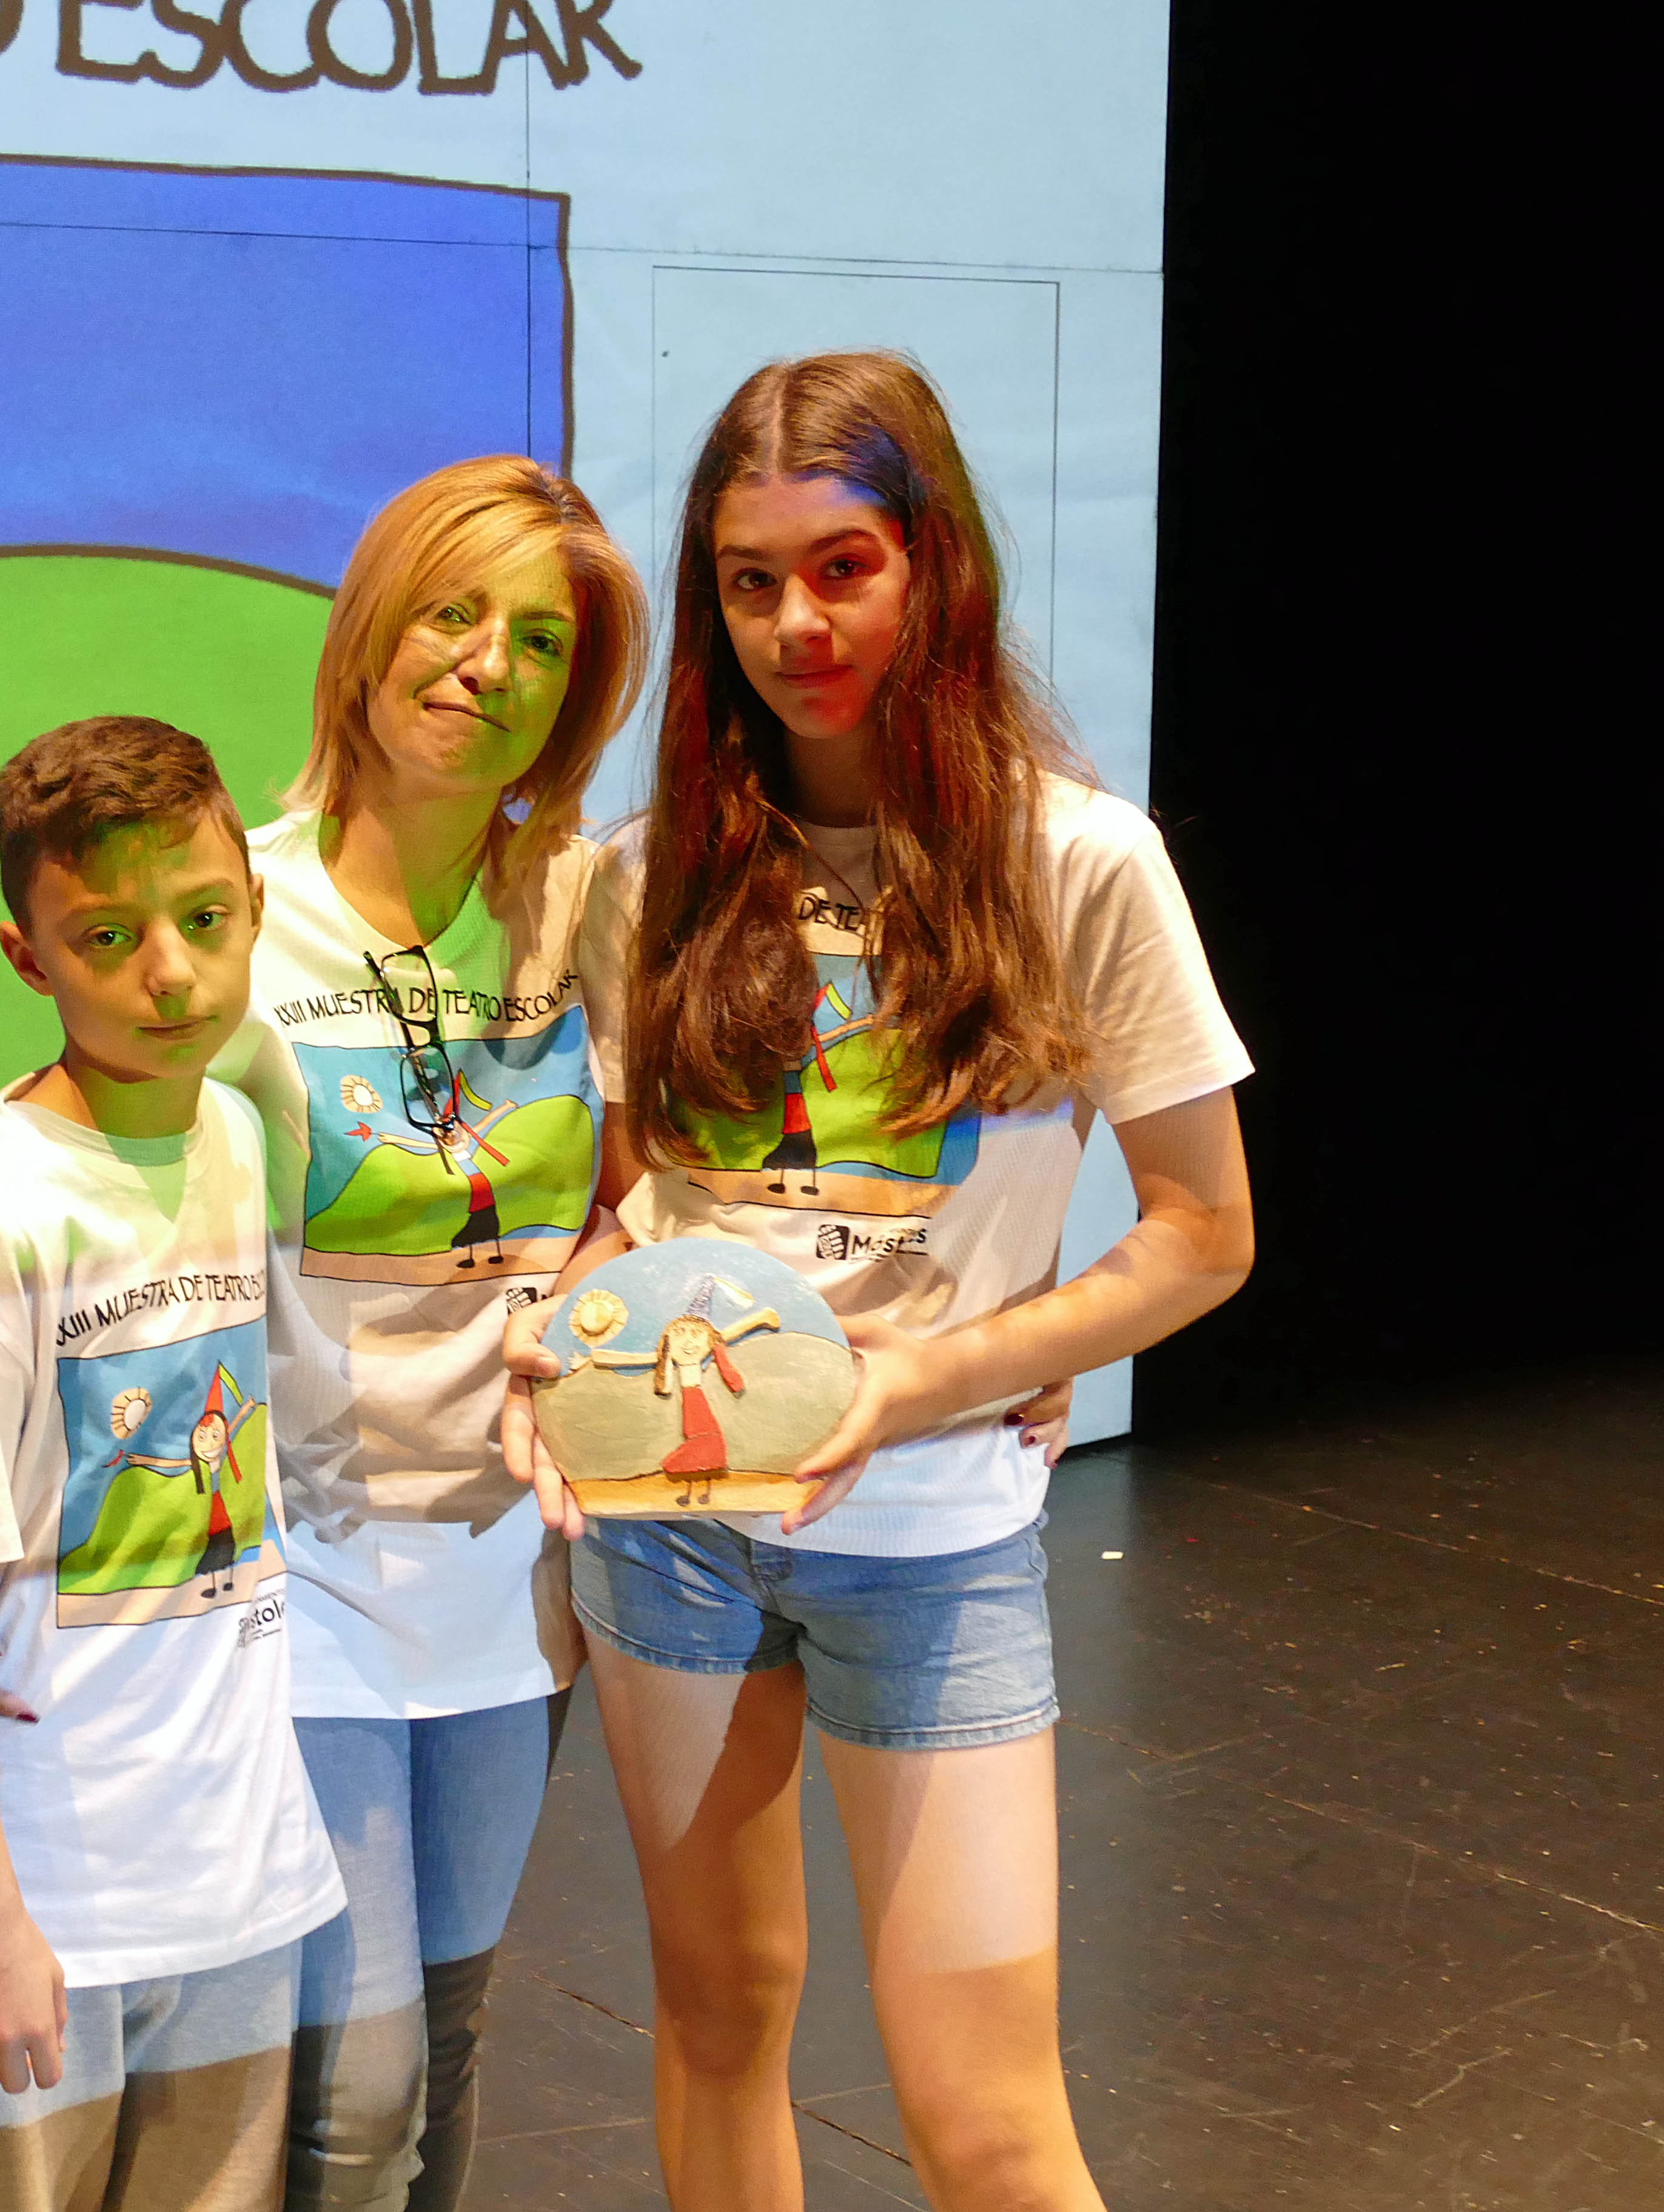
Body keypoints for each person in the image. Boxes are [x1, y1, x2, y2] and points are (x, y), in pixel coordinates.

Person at [503, 352, 1255, 2211]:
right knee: (717, 2023)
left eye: (843, 567)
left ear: (934, 564)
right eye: (751, 581)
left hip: (935, 1538)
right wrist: (557, 1326)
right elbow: (637, 1196)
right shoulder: (648, 876)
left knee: (987, 2123)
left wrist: (933, 1376)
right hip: (667, 1532)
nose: (797, 626)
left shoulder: (1079, 864)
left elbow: (1201, 1232)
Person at [207, 454, 643, 2210]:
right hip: (304, 1561)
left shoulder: (591, 904)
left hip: (515, 1569)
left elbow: (672, 1189)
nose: (488, 664)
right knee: (359, 2078)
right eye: (453, 614)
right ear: (373, 631)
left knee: (446, 2041)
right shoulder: (237, 914)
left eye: (540, 640)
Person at [0, 717, 342, 2211]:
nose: (172, 975)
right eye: (109, 937)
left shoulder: (235, 1133)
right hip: (41, 1904)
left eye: (205, 920)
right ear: (30, 960)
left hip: (231, 1881)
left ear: (256, 907)